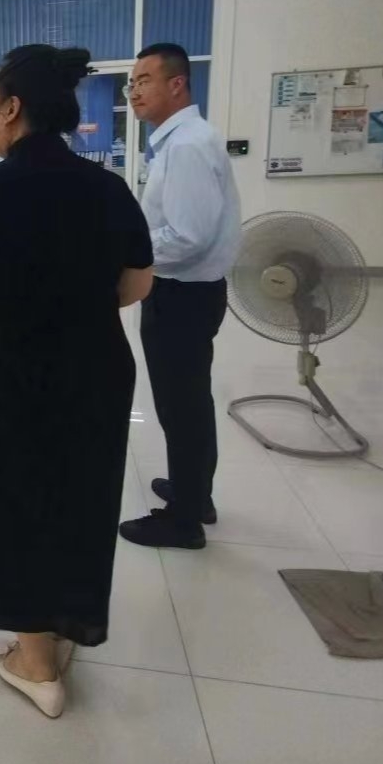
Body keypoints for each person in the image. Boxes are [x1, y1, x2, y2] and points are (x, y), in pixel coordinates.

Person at [0, 45, 153, 718]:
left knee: (12, 504)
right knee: (81, 498)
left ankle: (37, 662)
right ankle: (67, 622)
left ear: (11, 107)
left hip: (8, 381)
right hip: (96, 376)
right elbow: (136, 285)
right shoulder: (108, 189)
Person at [118, 42, 241, 550]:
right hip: (185, 292)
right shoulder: (182, 140)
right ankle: (195, 493)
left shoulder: (187, 145)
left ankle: (184, 520)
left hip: (182, 296)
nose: (134, 91)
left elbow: (188, 236)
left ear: (177, 84)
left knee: (182, 406)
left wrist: (127, 258)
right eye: (132, 82)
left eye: (144, 80)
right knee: (186, 402)